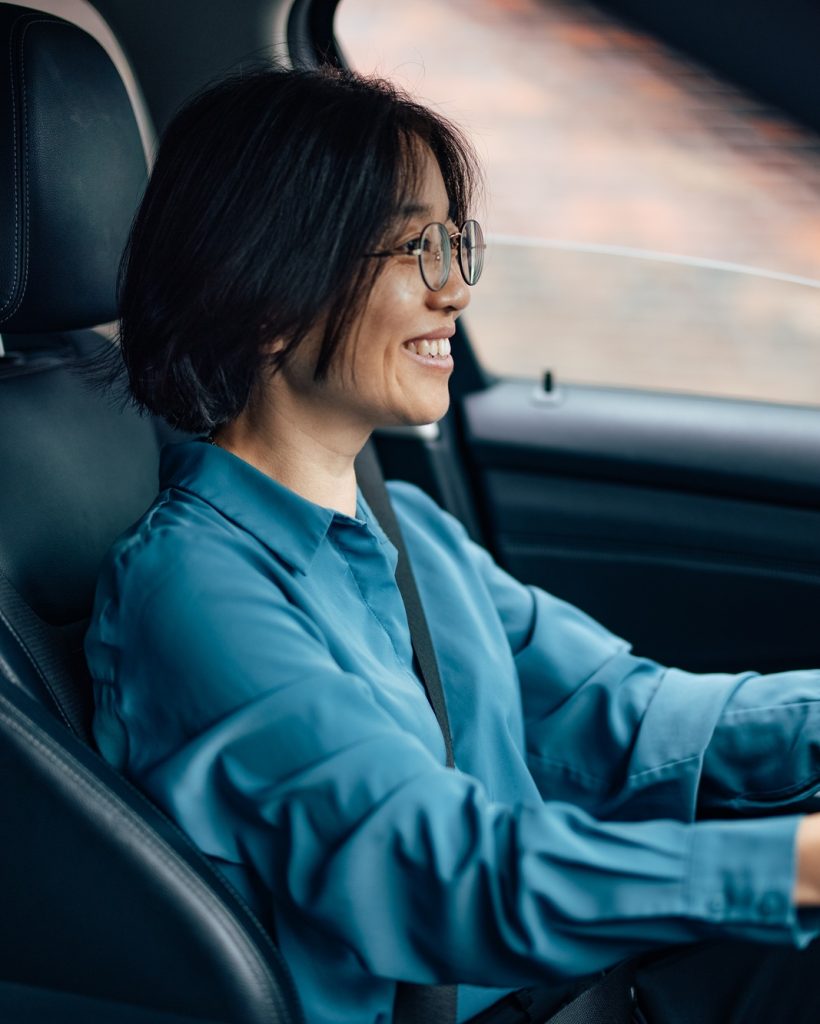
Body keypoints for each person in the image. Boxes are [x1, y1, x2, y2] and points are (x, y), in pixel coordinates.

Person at [85, 65, 820, 1024]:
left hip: (588, 991)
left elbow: (627, 716)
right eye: (412, 248)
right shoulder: (194, 591)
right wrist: (794, 867)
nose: (457, 290)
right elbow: (434, 876)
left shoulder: (409, 533)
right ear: (265, 296)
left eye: (457, 242)